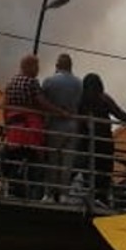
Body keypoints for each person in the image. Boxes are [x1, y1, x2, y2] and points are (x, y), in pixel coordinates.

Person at [2, 55, 69, 199]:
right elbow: (42, 102)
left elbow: (5, 106)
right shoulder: (32, 82)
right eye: (36, 66)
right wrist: (60, 112)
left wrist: (6, 124)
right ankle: (33, 192)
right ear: (30, 66)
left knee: (15, 160)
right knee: (35, 162)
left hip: (14, 129)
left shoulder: (10, 83)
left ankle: (14, 190)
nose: (38, 70)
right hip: (31, 130)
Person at [78, 72, 126, 207]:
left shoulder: (80, 99)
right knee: (105, 169)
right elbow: (120, 114)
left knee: (88, 167)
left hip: (86, 140)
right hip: (104, 139)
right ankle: (102, 197)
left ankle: (89, 195)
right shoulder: (104, 98)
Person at [41, 53, 83, 203]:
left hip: (54, 124)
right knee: (67, 161)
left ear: (57, 66)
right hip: (72, 125)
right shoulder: (79, 83)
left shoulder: (49, 81)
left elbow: (42, 101)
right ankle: (64, 194)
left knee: (52, 160)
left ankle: (49, 194)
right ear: (71, 66)